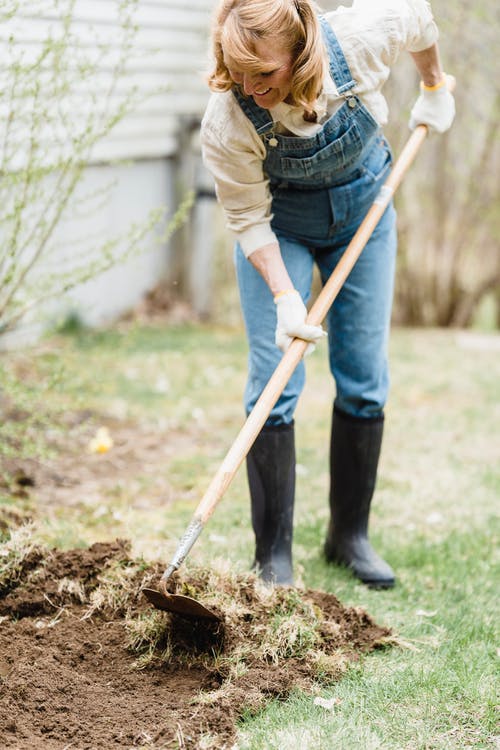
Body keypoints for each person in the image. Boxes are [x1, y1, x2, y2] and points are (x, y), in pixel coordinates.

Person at [200, 0, 455, 588]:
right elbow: (245, 215)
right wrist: (287, 298)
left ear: (299, 51)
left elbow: (418, 18)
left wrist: (434, 85)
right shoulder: (228, 118)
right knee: (274, 381)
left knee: (365, 376)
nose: (249, 86)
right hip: (278, 223)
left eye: (263, 73)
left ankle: (349, 537)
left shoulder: (360, 38)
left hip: (365, 206)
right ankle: (272, 556)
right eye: (238, 72)